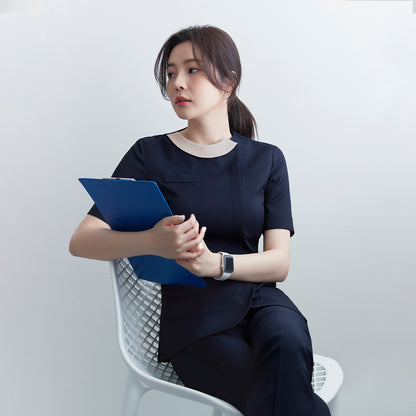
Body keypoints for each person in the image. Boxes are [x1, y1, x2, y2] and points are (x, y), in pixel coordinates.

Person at [69, 25, 331, 416]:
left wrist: (218, 264)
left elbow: (279, 263)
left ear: (229, 81)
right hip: (195, 320)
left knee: (288, 342)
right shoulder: (149, 154)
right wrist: (152, 242)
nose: (178, 82)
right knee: (282, 395)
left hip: (263, 302)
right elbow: (83, 240)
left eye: (192, 69)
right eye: (171, 73)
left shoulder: (267, 160)